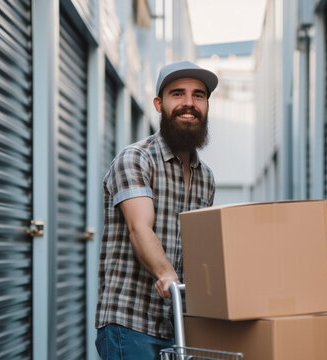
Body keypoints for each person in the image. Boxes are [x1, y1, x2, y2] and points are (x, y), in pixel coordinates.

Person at [95, 61, 218, 359]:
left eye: (198, 95)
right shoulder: (136, 159)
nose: (189, 103)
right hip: (131, 322)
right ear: (159, 104)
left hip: (180, 326)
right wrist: (166, 276)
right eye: (178, 94)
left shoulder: (206, 177)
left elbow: (200, 250)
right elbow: (140, 227)